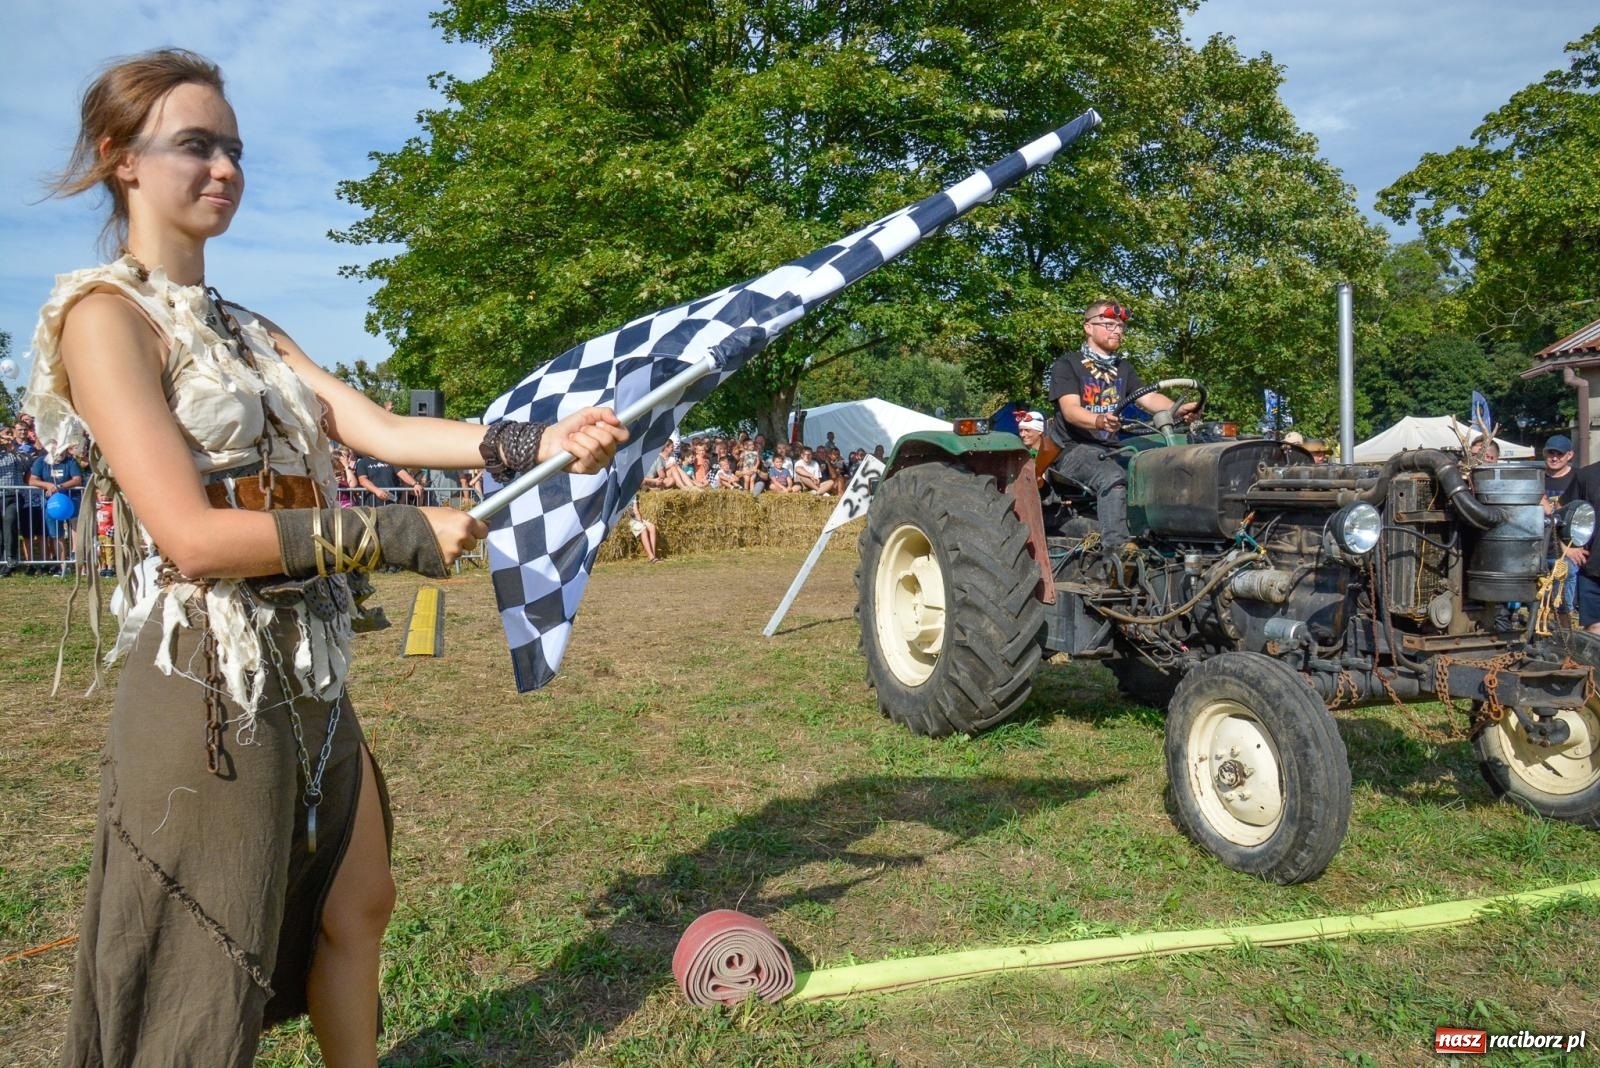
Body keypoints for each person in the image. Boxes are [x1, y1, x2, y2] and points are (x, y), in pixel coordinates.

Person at [29, 50, 625, 1066]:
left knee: (360, 904)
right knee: (204, 970)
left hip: (303, 661)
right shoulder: (102, 320)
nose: (223, 168)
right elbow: (193, 536)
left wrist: (541, 440)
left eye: (233, 150)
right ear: (120, 159)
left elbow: (380, 428)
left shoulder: (249, 328)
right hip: (205, 686)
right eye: (195, 145)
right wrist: (395, 535)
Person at [1045, 300, 1198, 547]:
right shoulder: (1067, 365)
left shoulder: (1122, 367)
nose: (1116, 330)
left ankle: (1168, 544)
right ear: (1088, 327)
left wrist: (1178, 409)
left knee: (1163, 469)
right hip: (1071, 450)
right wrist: (1098, 420)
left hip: (1111, 449)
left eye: (1120, 326)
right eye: (1108, 324)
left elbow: (1147, 397)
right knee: (1112, 477)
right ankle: (1116, 555)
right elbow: (1071, 411)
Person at [1542, 434, 1580, 625]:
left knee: (1569, 572)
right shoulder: (1536, 478)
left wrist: (1571, 548)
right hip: (1539, 546)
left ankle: (1566, 631)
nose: (1554, 457)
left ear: (1570, 455)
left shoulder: (1579, 478)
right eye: (1551, 453)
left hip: (1569, 547)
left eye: (1560, 454)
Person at [29, 440, 86, 570]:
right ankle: (62, 565)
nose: (60, 453)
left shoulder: (70, 462)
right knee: (56, 533)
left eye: (62, 450)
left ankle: (78, 563)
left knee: (76, 528)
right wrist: (48, 485)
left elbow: (77, 479)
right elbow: (32, 480)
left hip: (72, 499)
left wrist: (59, 487)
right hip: (52, 503)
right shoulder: (41, 461)